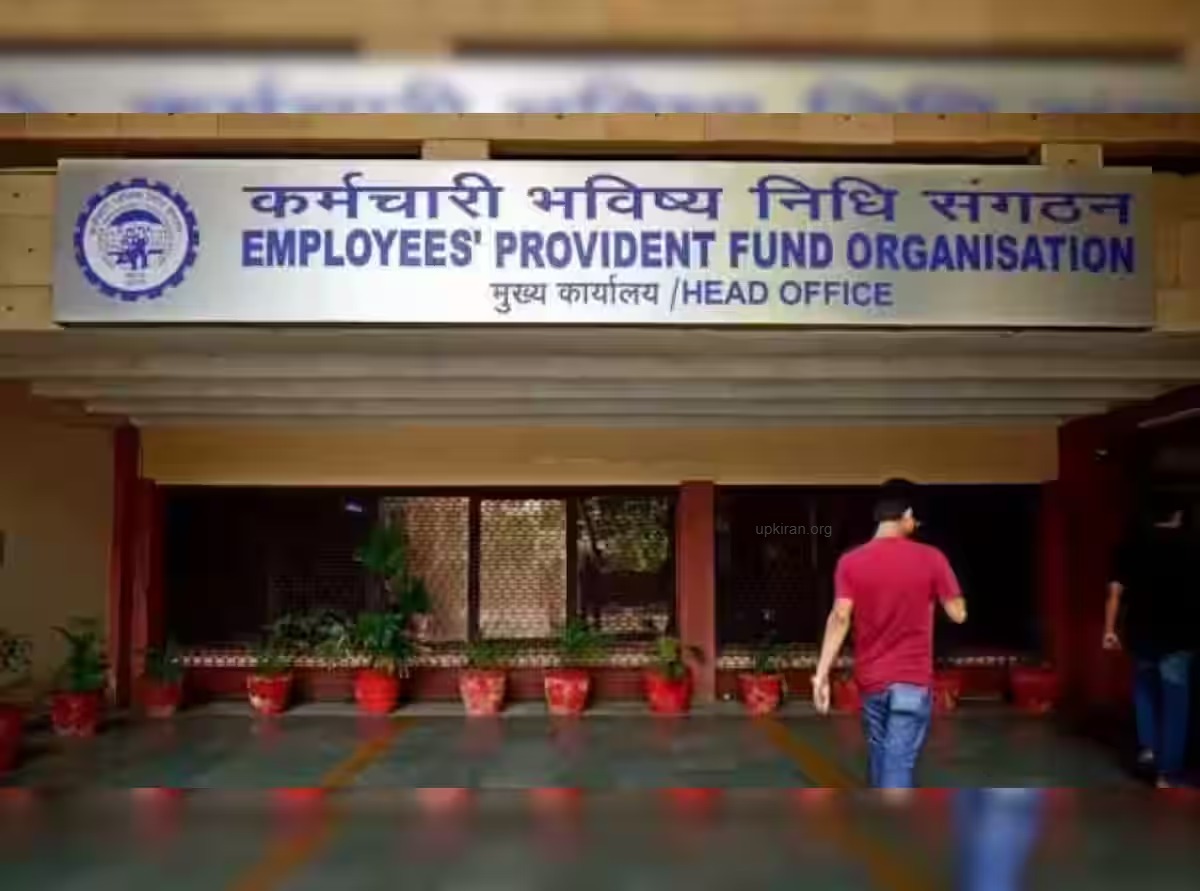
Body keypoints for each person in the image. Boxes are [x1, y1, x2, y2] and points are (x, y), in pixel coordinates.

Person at [811, 484, 968, 788]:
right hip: (912, 679)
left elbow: (840, 616)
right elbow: (958, 614)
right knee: (897, 762)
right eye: (915, 519)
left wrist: (821, 675)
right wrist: (950, 595)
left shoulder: (850, 562)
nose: (916, 525)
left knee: (880, 751)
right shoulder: (932, 558)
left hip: (872, 681)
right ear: (906, 515)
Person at [1104, 497, 1197, 788]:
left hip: (1141, 631)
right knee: (1175, 702)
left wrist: (1109, 630)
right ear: (1178, 515)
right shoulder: (1192, 546)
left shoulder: (1130, 547)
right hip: (1180, 634)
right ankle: (1167, 773)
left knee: (1145, 691)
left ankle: (1148, 749)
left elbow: (1115, 594)